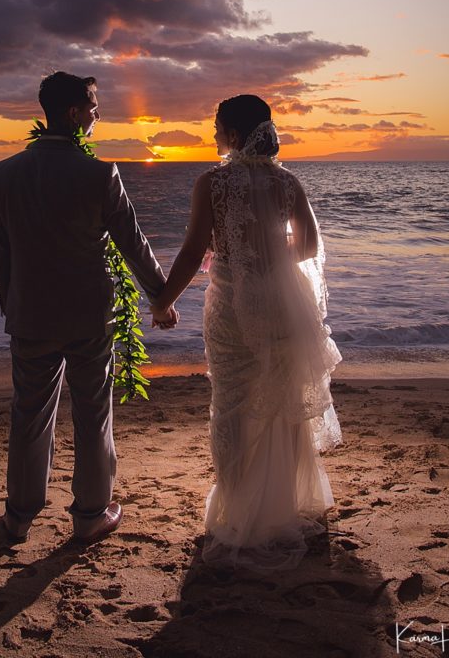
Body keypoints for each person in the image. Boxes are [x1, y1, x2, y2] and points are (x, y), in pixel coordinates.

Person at [151, 95, 342, 569]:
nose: (212, 136)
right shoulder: (288, 182)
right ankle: (287, 503)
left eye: (216, 128)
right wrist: (267, 258)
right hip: (281, 304)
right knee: (281, 401)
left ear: (234, 135)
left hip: (233, 309)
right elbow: (311, 245)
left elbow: (194, 251)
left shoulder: (212, 184)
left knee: (231, 402)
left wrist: (163, 300)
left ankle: (238, 511)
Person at [0, 71, 178, 545]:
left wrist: (12, 305)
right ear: (74, 114)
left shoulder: (5, 173)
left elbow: (1, 252)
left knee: (29, 413)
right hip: (90, 316)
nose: (98, 115)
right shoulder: (99, 173)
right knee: (93, 413)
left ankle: (19, 515)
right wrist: (160, 297)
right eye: (93, 107)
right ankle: (91, 513)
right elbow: (133, 242)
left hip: (30, 314)